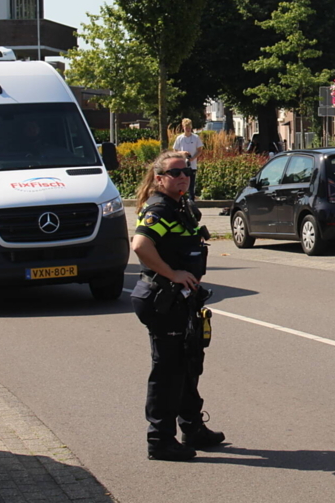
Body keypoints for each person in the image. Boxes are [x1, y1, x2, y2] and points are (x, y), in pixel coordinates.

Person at [130, 151, 224, 461]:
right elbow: (140, 245)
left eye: (186, 171)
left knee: (187, 365)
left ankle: (193, 428)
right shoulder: (159, 208)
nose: (183, 176)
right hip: (163, 298)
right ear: (159, 179)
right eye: (174, 173)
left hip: (182, 299)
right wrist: (173, 274)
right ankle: (160, 441)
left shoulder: (179, 205)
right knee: (167, 371)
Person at [173, 118, 204, 199]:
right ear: (183, 127)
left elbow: (199, 150)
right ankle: (180, 200)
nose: (188, 129)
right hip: (182, 165)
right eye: (186, 128)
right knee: (181, 184)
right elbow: (175, 151)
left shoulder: (196, 137)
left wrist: (193, 158)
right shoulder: (179, 138)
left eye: (189, 128)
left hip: (192, 165)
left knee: (191, 185)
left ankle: (191, 202)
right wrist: (182, 153)